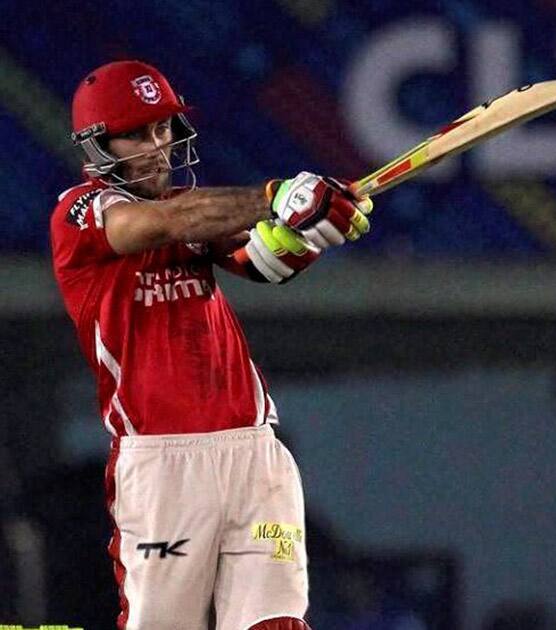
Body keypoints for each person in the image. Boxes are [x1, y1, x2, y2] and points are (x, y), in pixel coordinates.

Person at [50, 59, 373, 630]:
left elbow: (262, 262)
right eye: (137, 133)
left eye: (164, 129)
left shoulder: (193, 213)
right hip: (162, 467)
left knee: (276, 623)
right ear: (98, 144)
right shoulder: (81, 213)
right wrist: (276, 196)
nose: (157, 147)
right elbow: (161, 224)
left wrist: (313, 228)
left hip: (256, 456)